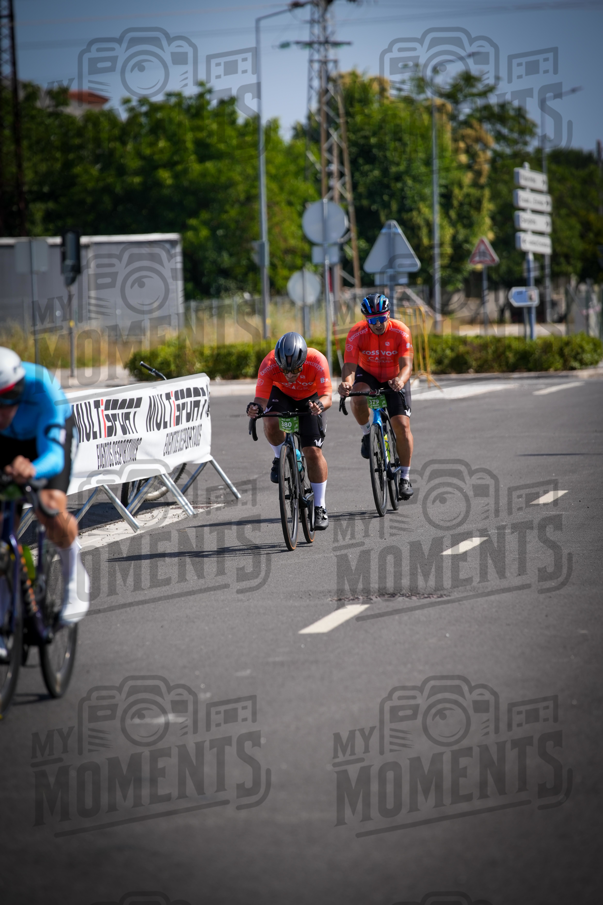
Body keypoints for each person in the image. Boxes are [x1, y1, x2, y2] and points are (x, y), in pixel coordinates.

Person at [0, 347, 89, 637]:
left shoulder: (42, 386)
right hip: (7, 444)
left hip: (44, 442)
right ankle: (7, 597)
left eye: (6, 401)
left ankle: (73, 571)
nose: (1, 412)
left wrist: (32, 470)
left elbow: (54, 456)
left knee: (49, 506)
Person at [246, 332, 332, 530]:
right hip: (282, 395)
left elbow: (328, 396)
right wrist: (255, 408)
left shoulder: (317, 360)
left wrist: (319, 406)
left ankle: (320, 506)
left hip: (311, 399)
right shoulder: (269, 363)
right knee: (270, 420)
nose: (291, 375)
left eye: (296, 369)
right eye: (285, 370)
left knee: (313, 452)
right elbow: (261, 399)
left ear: (304, 361)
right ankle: (279, 457)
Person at [338, 293, 414, 500]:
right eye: (372, 320)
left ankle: (405, 477)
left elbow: (407, 366)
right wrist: (347, 382)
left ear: (388, 315)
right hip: (368, 374)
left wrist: (400, 380)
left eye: (381, 318)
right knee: (357, 397)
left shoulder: (401, 331)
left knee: (402, 426)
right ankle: (366, 434)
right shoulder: (356, 333)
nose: (378, 324)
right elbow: (350, 365)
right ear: (366, 319)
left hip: (394, 376)